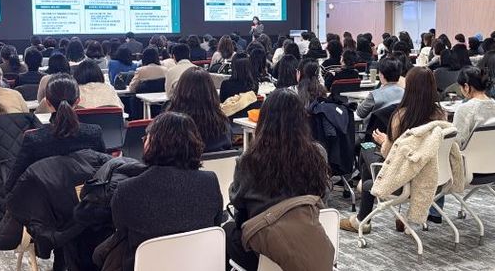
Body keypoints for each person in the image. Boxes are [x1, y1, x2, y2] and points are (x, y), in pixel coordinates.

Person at [224, 89, 330, 270]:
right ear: (302, 120)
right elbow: (323, 197)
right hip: (308, 243)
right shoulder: (318, 154)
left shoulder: (249, 160)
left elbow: (237, 200)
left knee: (227, 231)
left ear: (264, 120)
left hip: (263, 251)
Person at [108, 112, 223, 271]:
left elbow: (121, 231)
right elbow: (215, 222)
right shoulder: (210, 181)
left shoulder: (126, 190)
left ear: (151, 143)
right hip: (198, 265)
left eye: (146, 137)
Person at [340, 67, 446, 233]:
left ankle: (362, 219)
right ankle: (384, 212)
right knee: (369, 169)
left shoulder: (401, 116)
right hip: (433, 177)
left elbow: (389, 154)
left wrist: (384, 141)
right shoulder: (441, 116)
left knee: (367, 148)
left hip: (401, 179)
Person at [6, 73, 105, 192]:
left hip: (46, 201)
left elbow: (12, 184)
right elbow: (104, 172)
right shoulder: (94, 133)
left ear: (47, 102)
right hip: (86, 199)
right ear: (78, 101)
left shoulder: (34, 140)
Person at [167, 67, 232, 152]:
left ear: (180, 90)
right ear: (211, 92)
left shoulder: (170, 124)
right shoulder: (224, 124)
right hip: (221, 160)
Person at [453, 67, 495, 148]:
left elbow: (456, 144)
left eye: (460, 87)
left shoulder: (463, 110)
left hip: (471, 155)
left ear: (466, 87)